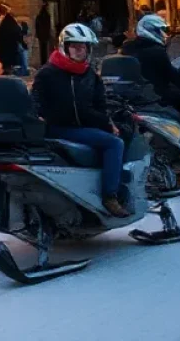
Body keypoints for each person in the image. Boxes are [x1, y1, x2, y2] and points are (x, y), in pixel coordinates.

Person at [31, 23, 129, 218]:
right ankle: (110, 196)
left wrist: (108, 122)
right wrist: (38, 116)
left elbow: (99, 105)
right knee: (115, 144)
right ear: (64, 47)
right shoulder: (48, 73)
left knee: (115, 137)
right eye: (74, 46)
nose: (78, 50)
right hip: (59, 128)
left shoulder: (90, 75)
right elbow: (34, 100)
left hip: (82, 127)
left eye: (83, 47)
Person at [123, 14, 180, 122]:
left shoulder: (128, 47)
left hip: (133, 94)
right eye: (160, 30)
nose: (164, 34)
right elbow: (172, 76)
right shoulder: (156, 50)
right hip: (155, 94)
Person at [0, 3, 24, 74]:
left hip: (5, 45)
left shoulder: (2, 20)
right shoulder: (9, 19)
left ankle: (7, 72)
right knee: (8, 63)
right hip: (10, 45)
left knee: (6, 62)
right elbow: (17, 31)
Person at [34, 2, 53, 67]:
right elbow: (48, 26)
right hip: (45, 34)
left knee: (42, 49)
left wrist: (37, 33)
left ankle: (43, 62)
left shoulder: (39, 16)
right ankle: (45, 62)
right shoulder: (47, 16)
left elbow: (37, 26)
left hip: (41, 35)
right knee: (45, 49)